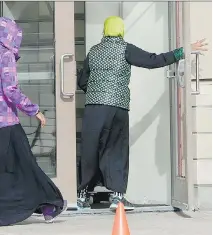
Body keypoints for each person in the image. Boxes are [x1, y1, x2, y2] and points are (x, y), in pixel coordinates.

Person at [77, 16, 208, 211]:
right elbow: (152, 61)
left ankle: (82, 196)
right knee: (115, 149)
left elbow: (82, 80)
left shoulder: (94, 51)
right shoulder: (125, 48)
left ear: (104, 30)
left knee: (90, 149)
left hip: (94, 107)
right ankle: (117, 197)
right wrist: (183, 50)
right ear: (121, 30)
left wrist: (97, 91)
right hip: (117, 107)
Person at [0, 17, 67, 226]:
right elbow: (10, 89)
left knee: (9, 170)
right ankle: (50, 204)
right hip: (6, 123)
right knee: (26, 166)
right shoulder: (5, 54)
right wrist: (34, 110)